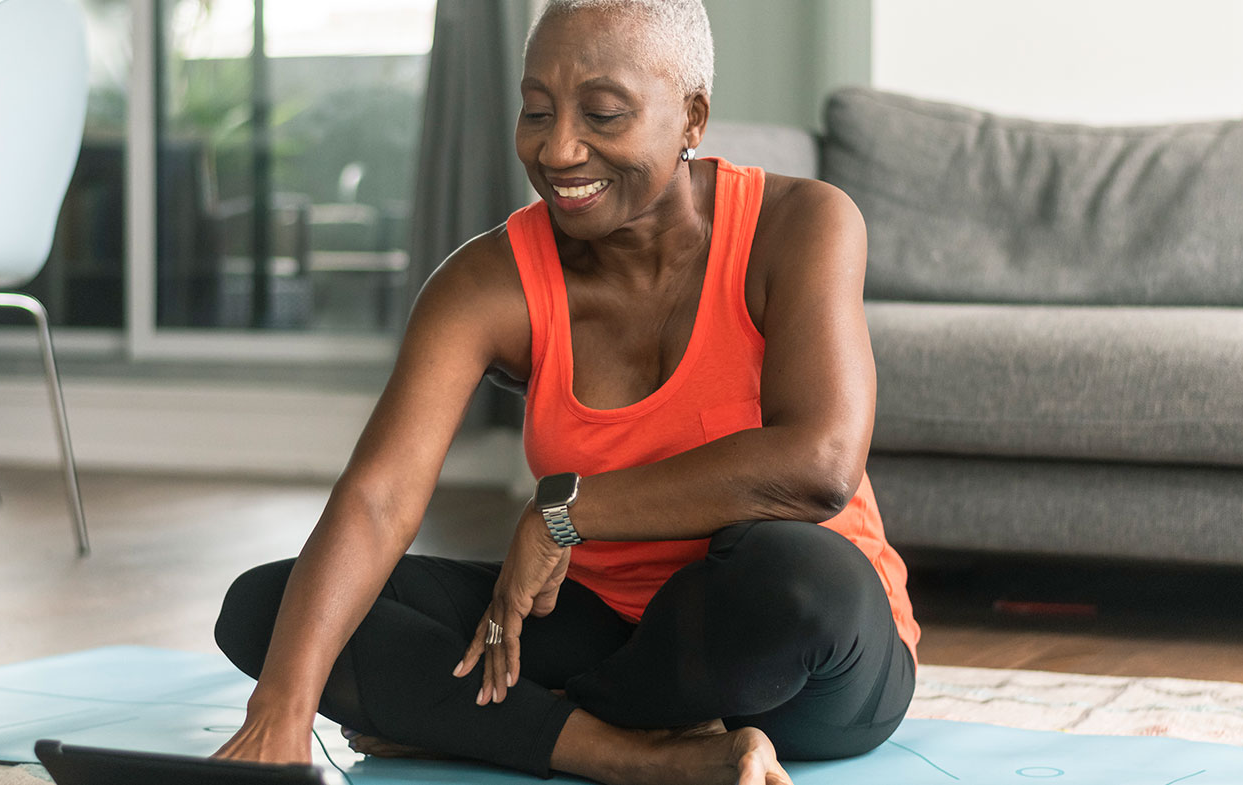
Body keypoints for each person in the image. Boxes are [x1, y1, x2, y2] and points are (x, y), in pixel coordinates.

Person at [210, 1, 919, 782]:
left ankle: (496, 725)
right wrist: (280, 711)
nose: (559, 148)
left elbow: (820, 464)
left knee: (802, 578)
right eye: (536, 111)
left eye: (603, 113)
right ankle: (634, 754)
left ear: (692, 117)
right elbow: (380, 498)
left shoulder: (801, 223)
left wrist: (566, 513)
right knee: (273, 611)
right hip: (598, 626)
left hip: (789, 661)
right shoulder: (487, 282)